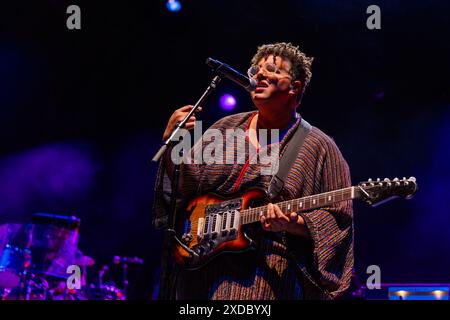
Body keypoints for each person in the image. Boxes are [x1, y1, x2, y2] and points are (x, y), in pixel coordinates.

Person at [153, 42, 353, 300]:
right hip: (200, 272)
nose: (258, 74)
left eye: (271, 69)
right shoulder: (225, 128)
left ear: (295, 87)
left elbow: (339, 219)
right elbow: (186, 187)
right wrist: (172, 144)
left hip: (264, 278)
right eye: (255, 69)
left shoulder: (320, 147)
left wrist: (296, 224)